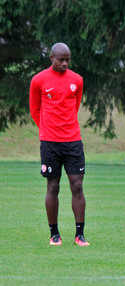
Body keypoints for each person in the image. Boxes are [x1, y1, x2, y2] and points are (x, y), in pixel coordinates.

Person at [29, 42, 89, 246]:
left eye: (68, 59)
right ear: (51, 58)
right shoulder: (38, 80)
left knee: (77, 185)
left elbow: (75, 106)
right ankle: (54, 234)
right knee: (53, 186)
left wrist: (65, 128)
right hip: (50, 142)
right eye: (61, 59)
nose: (65, 63)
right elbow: (35, 110)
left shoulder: (77, 80)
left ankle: (79, 235)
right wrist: (48, 129)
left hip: (73, 141)